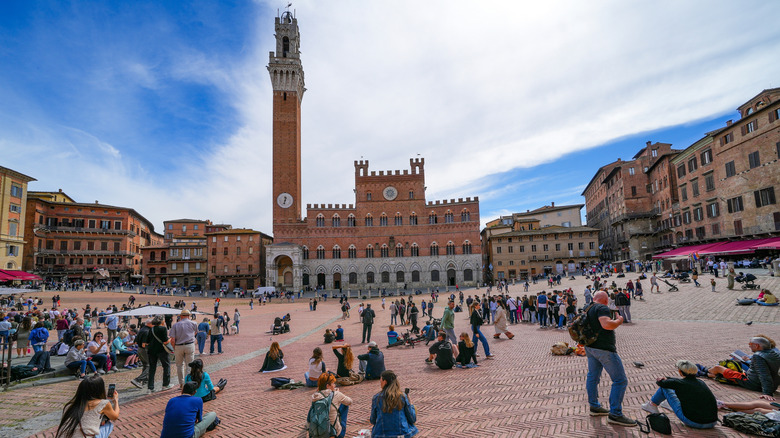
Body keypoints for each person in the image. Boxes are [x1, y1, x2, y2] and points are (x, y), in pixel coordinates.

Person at [584, 290, 635, 426]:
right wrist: (619, 320)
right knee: (620, 380)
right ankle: (615, 414)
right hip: (604, 349)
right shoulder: (601, 308)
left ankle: (594, 406)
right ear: (606, 301)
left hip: (590, 347)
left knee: (593, 377)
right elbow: (607, 324)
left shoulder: (587, 307)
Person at [641, 360, 717, 429]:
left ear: (680, 372)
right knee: (675, 388)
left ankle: (652, 405)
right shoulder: (701, 382)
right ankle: (668, 404)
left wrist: (661, 379)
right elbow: (677, 381)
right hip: (712, 422)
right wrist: (668, 379)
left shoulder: (679, 383)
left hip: (694, 422)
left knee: (664, 388)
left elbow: (661, 383)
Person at [703, 337, 780, 395]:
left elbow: (764, 375)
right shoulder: (774, 353)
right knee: (728, 371)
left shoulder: (758, 356)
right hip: (768, 384)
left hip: (753, 383)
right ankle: (710, 374)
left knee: (718, 368)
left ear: (756, 346)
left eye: (750, 344)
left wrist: (767, 393)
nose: (749, 346)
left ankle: (706, 370)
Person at [55, 374, 119, 438]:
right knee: (108, 425)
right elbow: (115, 417)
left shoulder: (69, 405)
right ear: (100, 390)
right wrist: (116, 401)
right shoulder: (103, 403)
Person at [370, 370, 418, 438]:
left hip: (381, 435)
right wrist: (411, 404)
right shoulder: (402, 396)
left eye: (380, 380)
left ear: (385, 381)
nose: (380, 382)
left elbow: (372, 420)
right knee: (413, 409)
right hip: (401, 434)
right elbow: (412, 418)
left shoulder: (376, 398)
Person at [310, 373, 352, 438]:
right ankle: (341, 428)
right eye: (333, 383)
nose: (334, 385)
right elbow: (350, 401)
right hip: (334, 433)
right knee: (345, 405)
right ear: (328, 386)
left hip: (319, 433)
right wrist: (338, 393)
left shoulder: (315, 396)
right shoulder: (336, 394)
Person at [170, 309, 198, 387]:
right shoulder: (194, 323)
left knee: (179, 365)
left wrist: (174, 347)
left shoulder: (175, 325)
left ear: (181, 316)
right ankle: (187, 382)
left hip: (178, 346)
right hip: (189, 345)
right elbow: (195, 332)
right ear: (189, 316)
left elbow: (172, 339)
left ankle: (181, 383)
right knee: (189, 365)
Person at [147, 316, 175, 393]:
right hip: (161, 350)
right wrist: (169, 339)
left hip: (151, 350)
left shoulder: (151, 329)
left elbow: (148, 340)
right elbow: (165, 341)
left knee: (152, 368)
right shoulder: (163, 329)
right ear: (162, 321)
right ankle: (165, 384)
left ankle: (150, 387)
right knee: (166, 366)